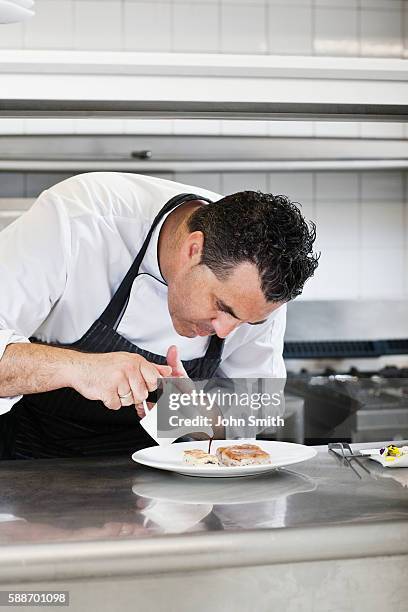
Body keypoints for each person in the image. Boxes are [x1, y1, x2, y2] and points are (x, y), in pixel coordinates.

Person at [0, 172, 319, 459]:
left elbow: (253, 410)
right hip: (27, 456)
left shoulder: (262, 279)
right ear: (193, 249)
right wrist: (79, 368)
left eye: (248, 321)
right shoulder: (80, 217)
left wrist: (188, 415)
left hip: (157, 481)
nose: (224, 332)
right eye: (222, 307)